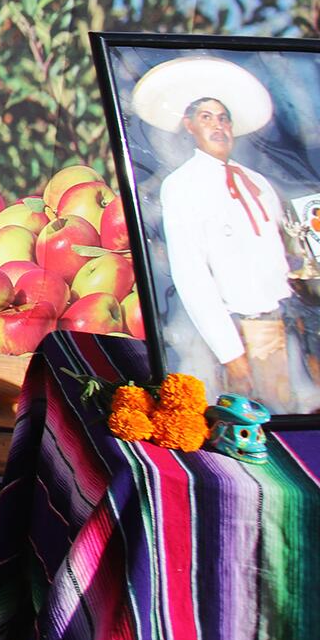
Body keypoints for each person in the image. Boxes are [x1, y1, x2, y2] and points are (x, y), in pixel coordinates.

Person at [134, 55, 314, 409]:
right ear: (189, 126)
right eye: (206, 118)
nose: (218, 126)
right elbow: (191, 275)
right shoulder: (182, 185)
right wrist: (230, 351)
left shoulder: (258, 183)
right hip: (239, 331)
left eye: (223, 118)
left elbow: (287, 248)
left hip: (288, 324)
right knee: (253, 417)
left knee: (295, 408)